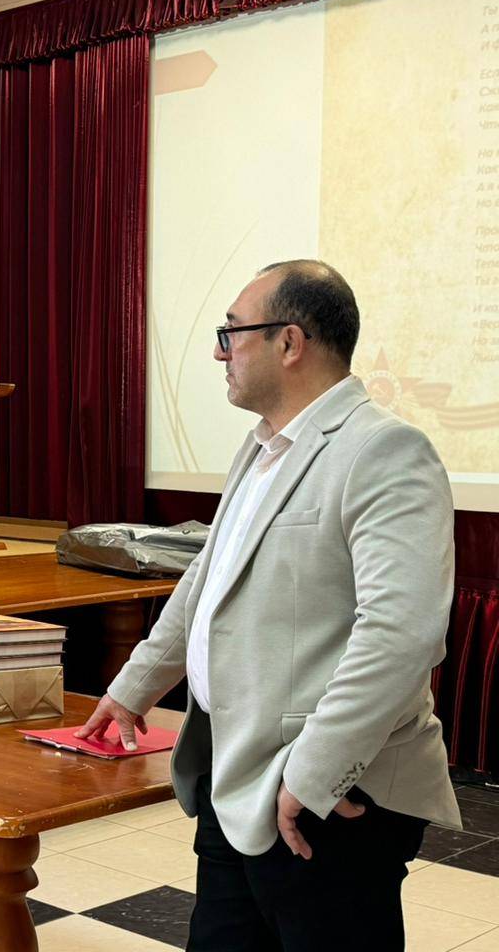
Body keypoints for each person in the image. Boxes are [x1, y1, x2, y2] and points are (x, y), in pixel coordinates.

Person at [76, 261, 461, 951]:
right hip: (234, 771)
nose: (218, 351)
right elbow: (206, 582)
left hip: (325, 792)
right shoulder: (260, 449)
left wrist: (313, 775)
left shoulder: (384, 449)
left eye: (231, 333)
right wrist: (134, 688)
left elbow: (401, 634)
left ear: (289, 342)